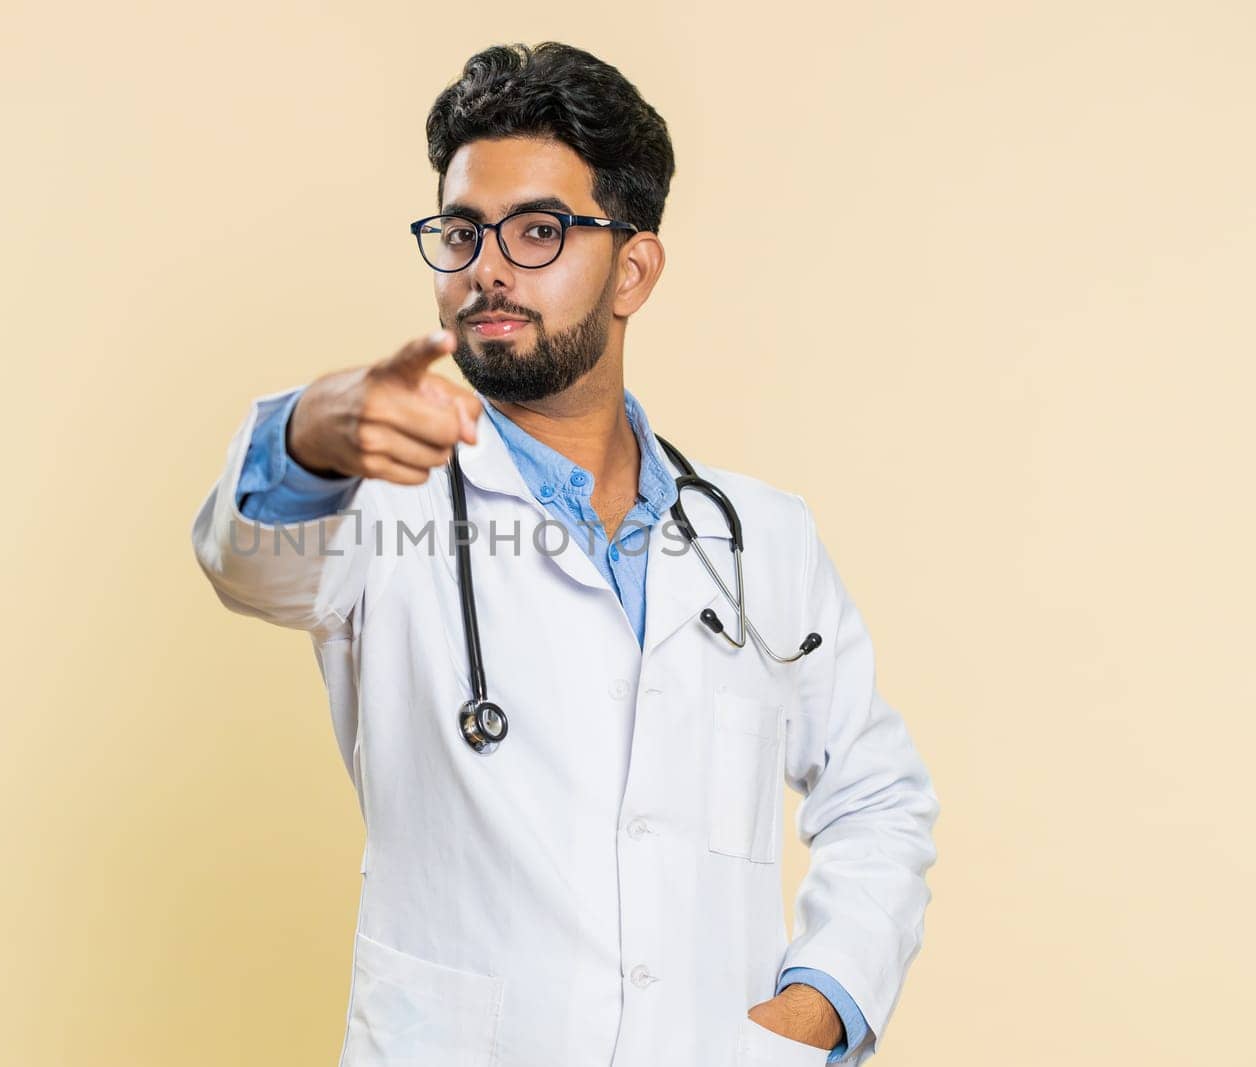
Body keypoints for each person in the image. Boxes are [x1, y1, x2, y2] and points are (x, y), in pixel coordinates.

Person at [193, 41, 938, 1067]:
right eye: (461, 233)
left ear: (632, 268)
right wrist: (307, 431)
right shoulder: (381, 493)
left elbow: (879, 798)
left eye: (537, 230)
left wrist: (818, 1006)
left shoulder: (762, 537)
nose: (486, 267)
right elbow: (250, 564)